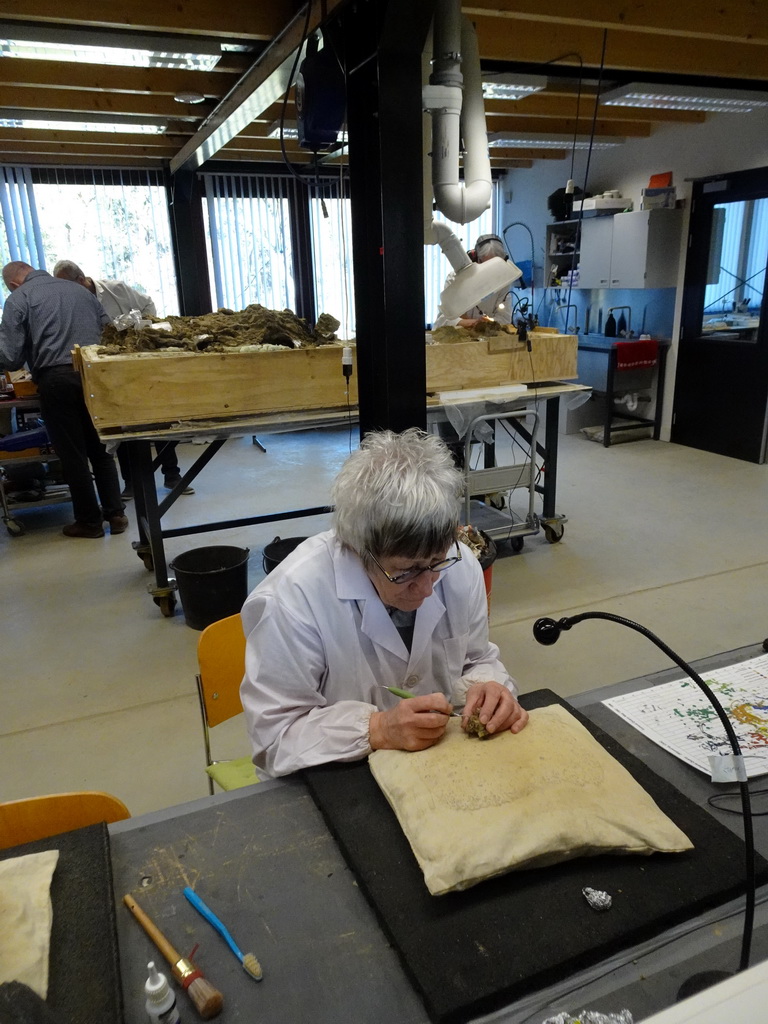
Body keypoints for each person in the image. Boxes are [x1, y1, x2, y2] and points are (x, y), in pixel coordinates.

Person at [240, 428, 528, 778]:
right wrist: (376, 729)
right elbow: (274, 737)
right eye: (405, 572)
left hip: (430, 764)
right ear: (358, 548)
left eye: (436, 563)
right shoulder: (292, 600)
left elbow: (477, 659)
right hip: (331, 775)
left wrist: (488, 687)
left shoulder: (459, 564)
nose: (426, 587)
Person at [0, 261, 128, 538]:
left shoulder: (19, 298)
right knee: (101, 448)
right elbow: (109, 333)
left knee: (73, 454)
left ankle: (89, 522)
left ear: (13, 284)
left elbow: (10, 358)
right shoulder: (81, 291)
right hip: (94, 375)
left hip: (56, 380)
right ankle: (116, 514)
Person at [52, 259, 193, 498]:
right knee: (123, 426)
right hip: (109, 371)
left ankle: (172, 475)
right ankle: (132, 482)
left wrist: (144, 334)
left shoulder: (115, 289)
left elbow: (147, 303)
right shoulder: (71, 301)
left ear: (80, 280)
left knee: (159, 421)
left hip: (139, 362)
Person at [433, 233, 514, 329]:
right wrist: (470, 322)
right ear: (474, 258)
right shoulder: (454, 279)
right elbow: (442, 320)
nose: (489, 271)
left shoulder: (503, 283)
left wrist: (486, 323)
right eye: (485, 264)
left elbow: (504, 319)